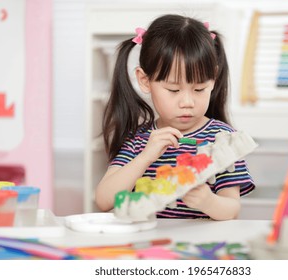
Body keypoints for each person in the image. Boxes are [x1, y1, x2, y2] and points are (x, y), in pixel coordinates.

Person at [95, 14, 255, 220]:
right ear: (145, 81)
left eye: (199, 89)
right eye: (173, 89)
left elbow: (232, 209)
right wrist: (145, 157)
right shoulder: (138, 141)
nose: (187, 102)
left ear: (213, 79)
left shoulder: (222, 139)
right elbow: (104, 200)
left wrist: (208, 201)